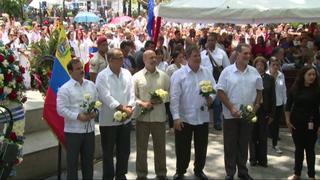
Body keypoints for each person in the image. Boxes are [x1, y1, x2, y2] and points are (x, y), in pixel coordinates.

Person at [217, 43, 263, 180]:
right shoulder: (227, 72)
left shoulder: (254, 72)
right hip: (230, 115)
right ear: (237, 55)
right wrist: (231, 108)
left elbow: (260, 91)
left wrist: (255, 108)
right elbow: (220, 91)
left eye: (249, 54)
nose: (248, 56)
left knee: (243, 144)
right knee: (230, 145)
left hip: (247, 115)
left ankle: (243, 171)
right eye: (245, 53)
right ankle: (230, 172)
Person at [170, 45, 216, 180]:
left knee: (201, 146)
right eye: (195, 56)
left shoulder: (206, 72)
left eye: (199, 56)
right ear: (187, 58)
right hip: (184, 117)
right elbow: (174, 97)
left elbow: (214, 88)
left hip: (202, 116)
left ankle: (199, 170)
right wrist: (176, 117)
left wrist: (210, 99)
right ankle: (180, 170)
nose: (198, 58)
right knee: (182, 147)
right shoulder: (179, 74)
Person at [95, 48, 135, 180]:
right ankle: (108, 176)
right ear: (110, 60)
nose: (123, 60)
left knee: (124, 150)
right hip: (108, 121)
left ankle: (120, 174)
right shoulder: (102, 76)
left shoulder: (127, 73)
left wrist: (129, 107)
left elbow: (132, 93)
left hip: (126, 120)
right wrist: (123, 108)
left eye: (123, 57)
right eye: (119, 58)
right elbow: (106, 97)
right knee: (108, 152)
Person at [57, 58, 97, 180]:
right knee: (72, 164)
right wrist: (78, 116)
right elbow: (61, 109)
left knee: (88, 162)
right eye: (78, 69)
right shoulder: (65, 89)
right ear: (70, 71)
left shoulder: (91, 85)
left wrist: (95, 112)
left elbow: (96, 102)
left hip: (89, 131)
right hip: (73, 132)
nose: (81, 71)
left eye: (82, 68)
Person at [133, 50, 170, 180]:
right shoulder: (136, 77)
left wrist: (160, 100)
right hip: (142, 118)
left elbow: (169, 94)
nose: (154, 59)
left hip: (159, 117)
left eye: (155, 57)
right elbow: (132, 97)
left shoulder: (164, 76)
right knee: (141, 148)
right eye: (150, 57)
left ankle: (161, 173)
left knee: (160, 147)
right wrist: (142, 103)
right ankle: (141, 174)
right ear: (144, 60)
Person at [285, 66, 320, 180]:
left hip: (313, 123)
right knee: (299, 149)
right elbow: (288, 107)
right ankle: (297, 174)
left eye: (313, 75)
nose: (312, 77)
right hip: (297, 123)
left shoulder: (317, 89)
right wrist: (288, 122)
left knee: (310, 149)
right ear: (303, 75)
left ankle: (311, 175)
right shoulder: (295, 89)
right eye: (309, 74)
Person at [249, 56, 276, 167]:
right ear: (254, 66)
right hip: (253, 109)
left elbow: (273, 97)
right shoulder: (250, 77)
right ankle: (253, 159)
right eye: (257, 65)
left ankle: (263, 159)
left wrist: (272, 114)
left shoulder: (269, 79)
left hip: (264, 110)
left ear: (265, 66)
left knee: (263, 136)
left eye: (262, 65)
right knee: (252, 135)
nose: (259, 67)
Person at [200, 32, 230, 131]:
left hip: (217, 81)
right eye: (208, 40)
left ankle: (217, 123)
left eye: (212, 40)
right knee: (205, 101)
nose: (210, 42)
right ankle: (203, 121)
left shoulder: (221, 53)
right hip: (205, 82)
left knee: (217, 102)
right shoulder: (202, 54)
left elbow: (227, 68)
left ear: (216, 41)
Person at [266, 57, 287, 154]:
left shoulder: (281, 75)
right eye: (273, 64)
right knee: (265, 125)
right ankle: (263, 145)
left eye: (277, 65)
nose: (275, 67)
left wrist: (285, 103)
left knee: (276, 125)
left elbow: (283, 90)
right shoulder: (265, 75)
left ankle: (275, 144)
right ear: (269, 65)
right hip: (267, 105)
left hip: (278, 104)